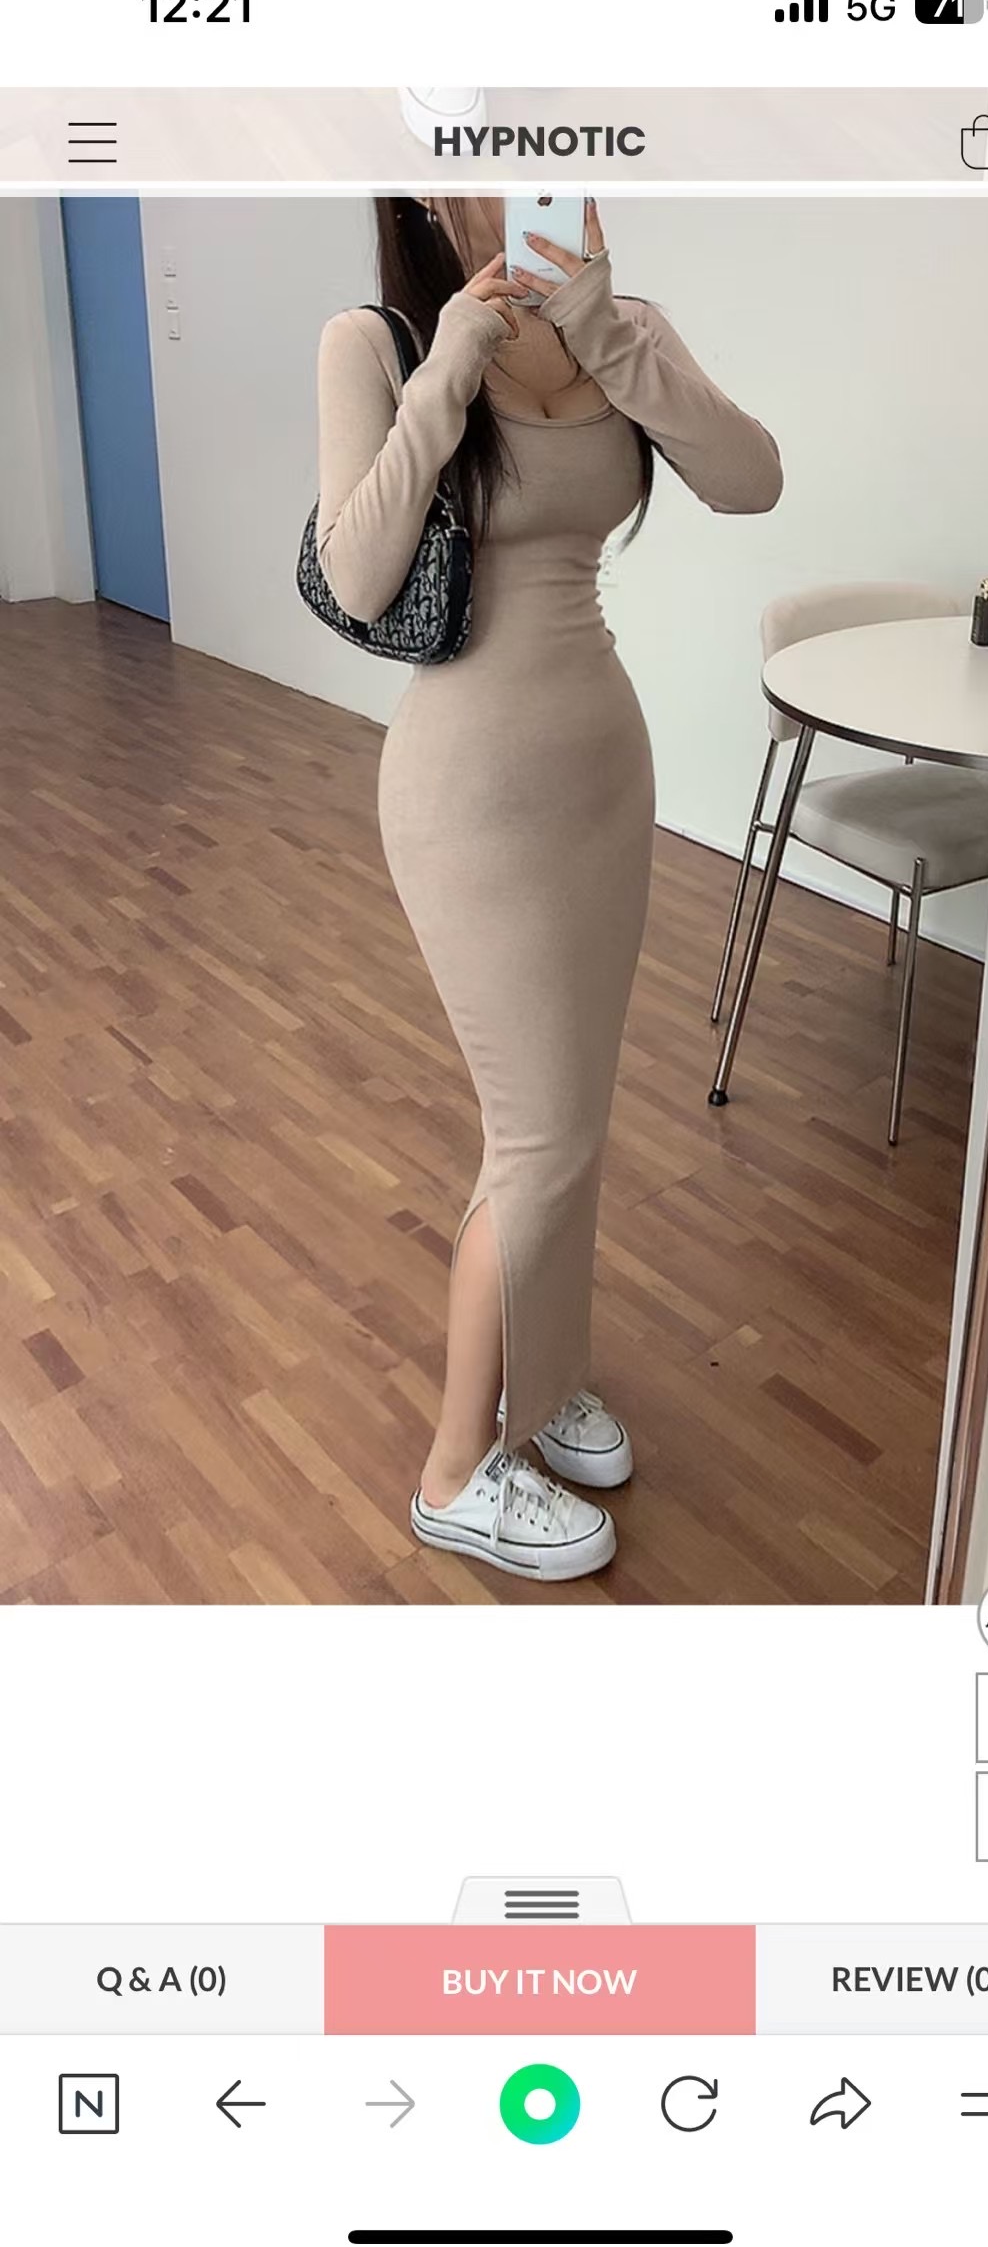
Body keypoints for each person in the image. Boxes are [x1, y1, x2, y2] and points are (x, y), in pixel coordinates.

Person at [316, 197, 782, 1581]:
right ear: (424, 186)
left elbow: (751, 478)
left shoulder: (622, 330)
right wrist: (450, 365)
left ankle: (549, 1374)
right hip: (469, 796)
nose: (520, 173)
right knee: (536, 1135)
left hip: (602, 776)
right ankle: (457, 1469)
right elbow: (357, 573)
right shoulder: (374, 342)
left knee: (576, 1117)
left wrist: (605, 332)